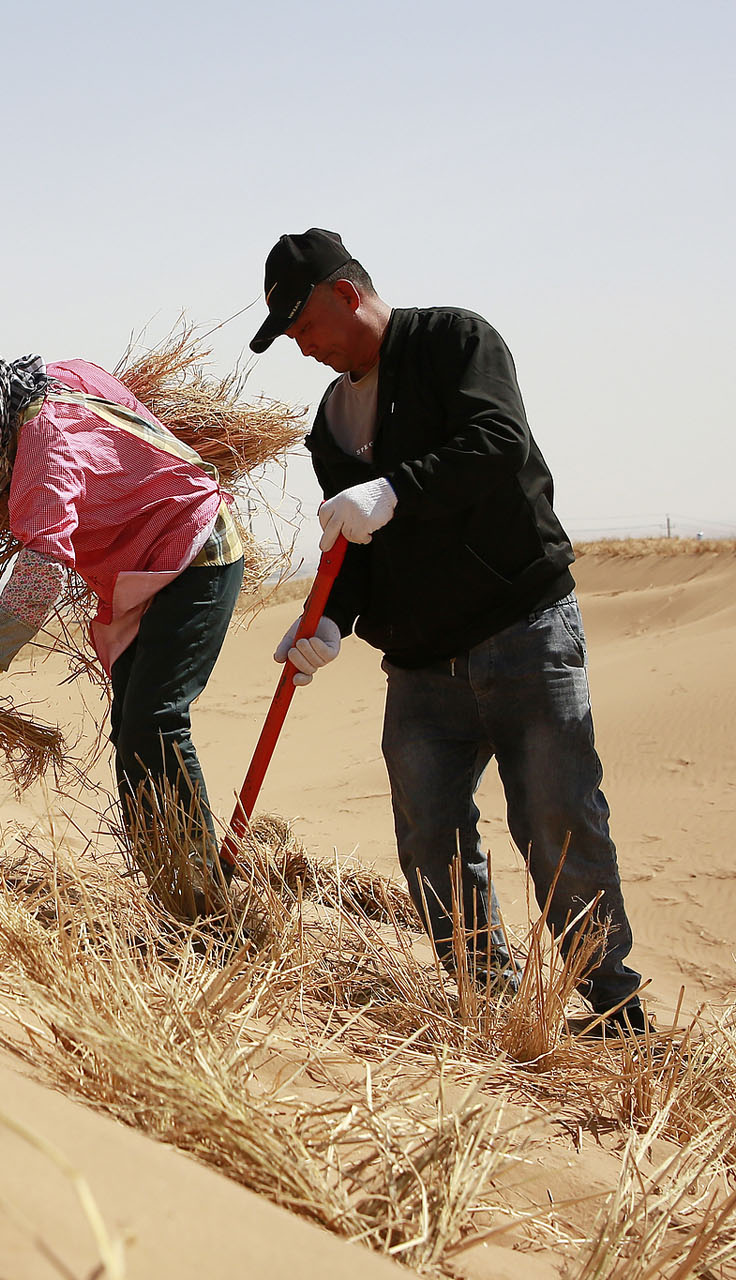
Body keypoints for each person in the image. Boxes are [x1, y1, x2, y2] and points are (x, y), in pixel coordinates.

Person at [251, 228, 647, 1035]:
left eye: (304, 327)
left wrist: (394, 487)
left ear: (346, 293)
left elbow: (497, 445)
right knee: (430, 835)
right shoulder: (330, 424)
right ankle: (488, 1006)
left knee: (558, 822)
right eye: (290, 338)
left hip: (523, 630)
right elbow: (355, 545)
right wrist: (329, 617)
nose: (304, 348)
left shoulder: (456, 340)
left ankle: (614, 1006)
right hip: (424, 666)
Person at [0, 332, 244, 907]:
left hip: (194, 549)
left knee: (155, 722)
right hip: (146, 566)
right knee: (133, 729)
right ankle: (170, 889)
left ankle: (200, 902)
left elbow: (43, 567)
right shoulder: (57, 377)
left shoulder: (41, 447)